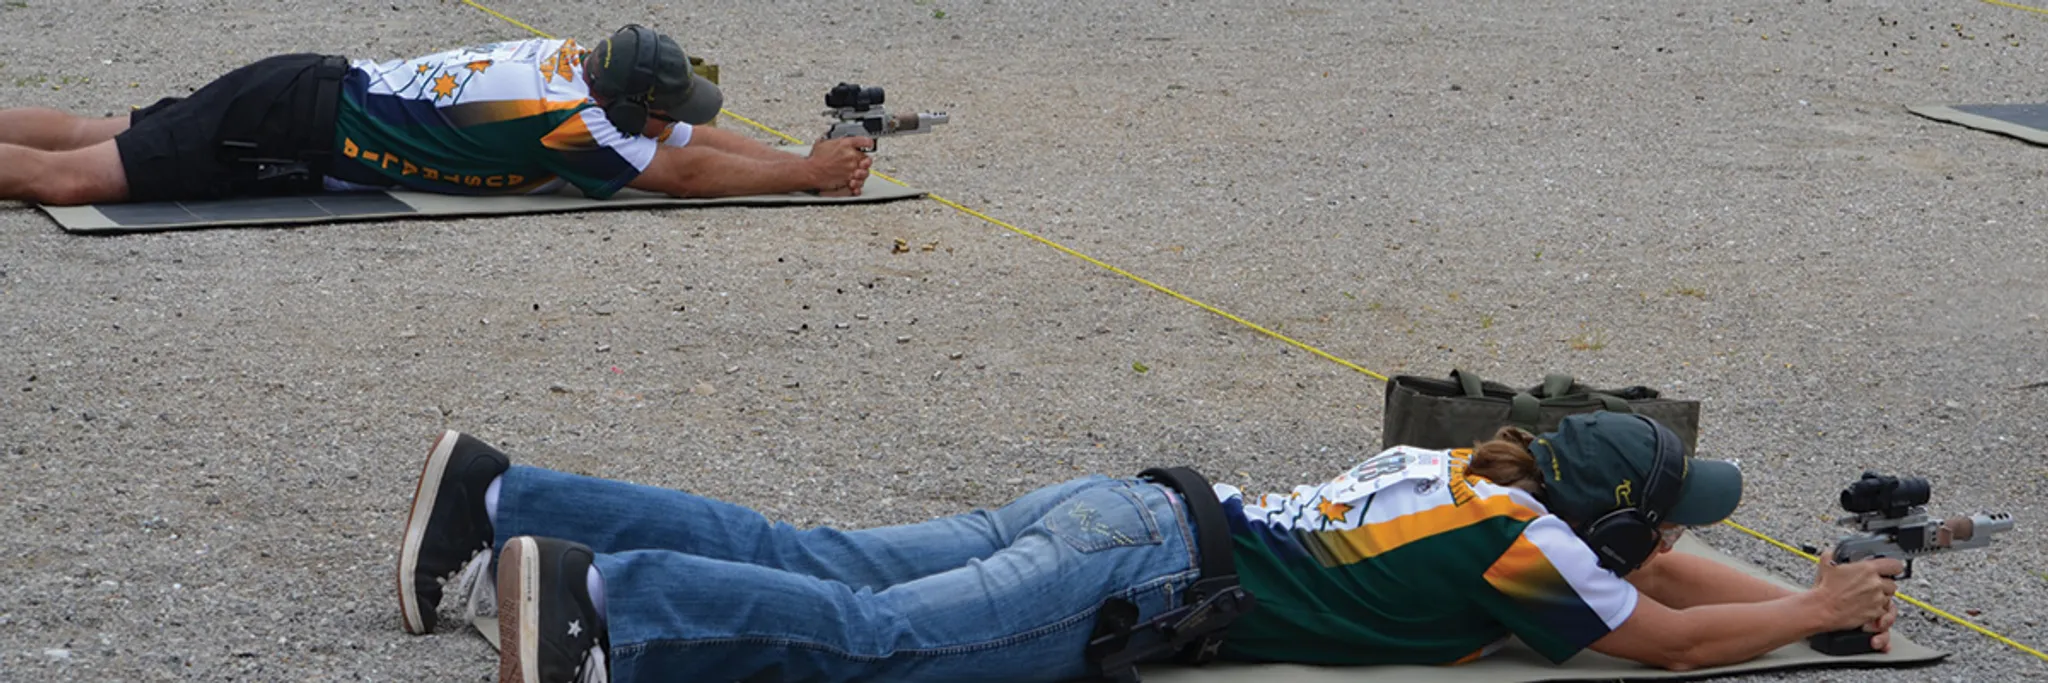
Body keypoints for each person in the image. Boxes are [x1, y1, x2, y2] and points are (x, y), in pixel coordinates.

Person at [395, 411, 1904, 683]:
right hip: (1136, 579)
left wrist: (1813, 602)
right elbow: (1664, 632)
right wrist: (1804, 609)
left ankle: (511, 496)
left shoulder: (1478, 475)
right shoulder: (1544, 557)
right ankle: (607, 605)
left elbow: (1641, 578)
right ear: (1617, 518)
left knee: (828, 552)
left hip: (1115, 509)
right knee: (882, 642)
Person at [0, 25, 873, 206]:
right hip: (283, 130)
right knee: (74, 179)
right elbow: (676, 169)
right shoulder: (566, 124)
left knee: (90, 131)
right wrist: (800, 174)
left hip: (298, 84)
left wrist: (795, 156)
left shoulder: (570, 64)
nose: (669, 117)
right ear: (621, 103)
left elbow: (676, 133)